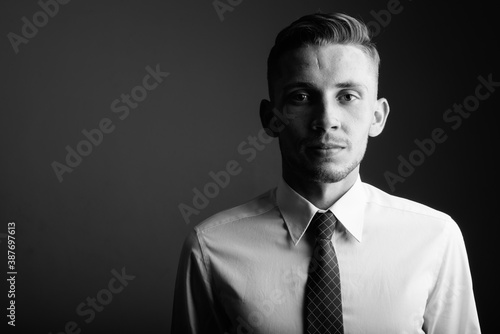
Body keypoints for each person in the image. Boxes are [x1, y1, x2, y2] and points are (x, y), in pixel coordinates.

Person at [171, 12, 481, 334]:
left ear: (377, 116)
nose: (326, 120)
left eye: (347, 96)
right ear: (271, 118)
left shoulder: (435, 238)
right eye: (301, 97)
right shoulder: (210, 248)